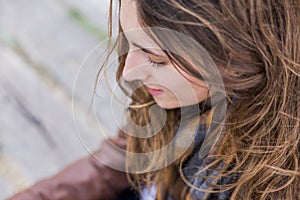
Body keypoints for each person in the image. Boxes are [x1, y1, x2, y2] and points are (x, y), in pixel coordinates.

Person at [8, 0, 300, 199]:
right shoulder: (176, 99)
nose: (130, 72)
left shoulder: (280, 180)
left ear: (238, 56)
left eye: (157, 58)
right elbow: (117, 163)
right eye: (130, 43)